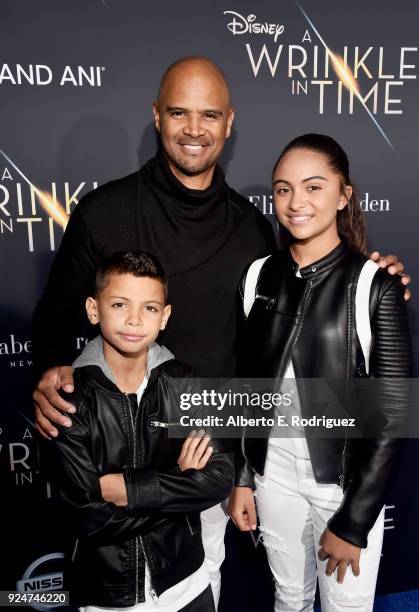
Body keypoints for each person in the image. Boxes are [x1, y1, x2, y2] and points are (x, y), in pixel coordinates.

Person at [32, 56, 410, 607]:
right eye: (179, 112)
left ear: (229, 123)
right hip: (116, 461)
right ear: (156, 116)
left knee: (203, 589)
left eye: (209, 114)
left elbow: (298, 309)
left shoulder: (254, 232)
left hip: (203, 462)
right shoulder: (102, 211)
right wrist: (48, 370)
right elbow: (55, 314)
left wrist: (373, 279)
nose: (194, 128)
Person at [229, 134, 412, 611]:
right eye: (283, 189)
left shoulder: (374, 284)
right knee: (288, 597)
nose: (296, 203)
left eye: (313, 187)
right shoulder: (256, 277)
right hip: (274, 480)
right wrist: (244, 476)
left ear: (344, 193)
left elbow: (392, 415)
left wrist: (353, 521)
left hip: (344, 486)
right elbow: (247, 386)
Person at [42, 250, 234, 611]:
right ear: (93, 309)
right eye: (119, 304)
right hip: (109, 597)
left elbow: (220, 477)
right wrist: (181, 482)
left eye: (148, 308)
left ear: (164, 317)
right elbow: (90, 517)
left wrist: (129, 489)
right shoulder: (69, 397)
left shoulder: (183, 381)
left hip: (187, 581)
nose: (134, 320)